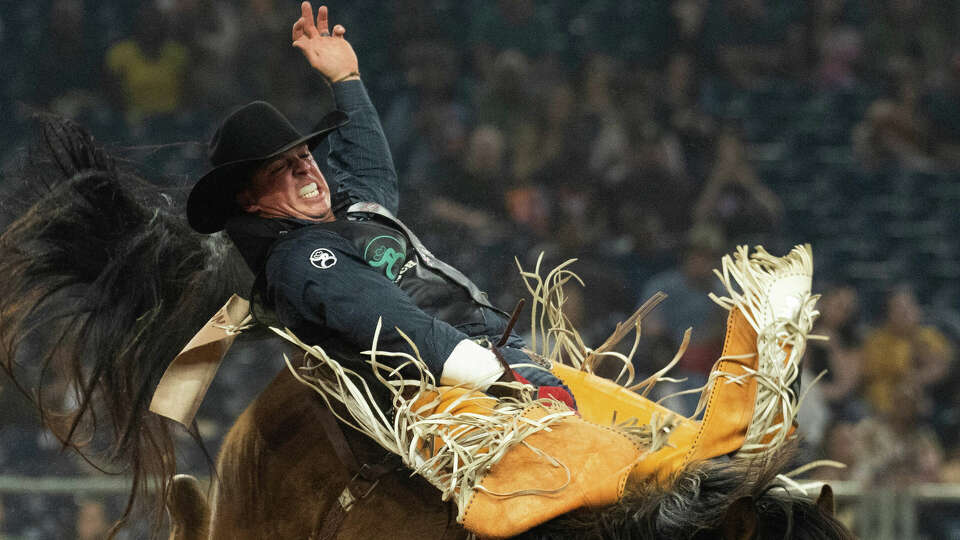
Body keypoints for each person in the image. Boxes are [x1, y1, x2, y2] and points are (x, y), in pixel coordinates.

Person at [185, 2, 571, 403]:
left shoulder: (349, 217)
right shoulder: (302, 258)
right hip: (455, 389)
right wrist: (503, 378)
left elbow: (367, 167)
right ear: (250, 201)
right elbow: (396, 327)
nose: (305, 169)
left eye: (304, 156)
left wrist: (346, 79)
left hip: (492, 359)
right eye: (279, 169)